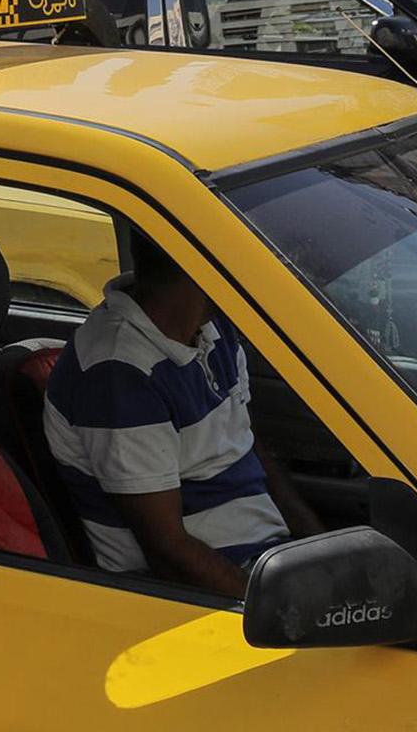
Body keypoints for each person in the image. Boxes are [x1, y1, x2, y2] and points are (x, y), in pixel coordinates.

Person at [44, 230, 320, 597]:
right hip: (195, 593)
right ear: (205, 269)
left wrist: (319, 546)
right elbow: (167, 551)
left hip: (265, 558)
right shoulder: (118, 374)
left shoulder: (213, 328)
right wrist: (279, 612)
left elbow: (249, 448)